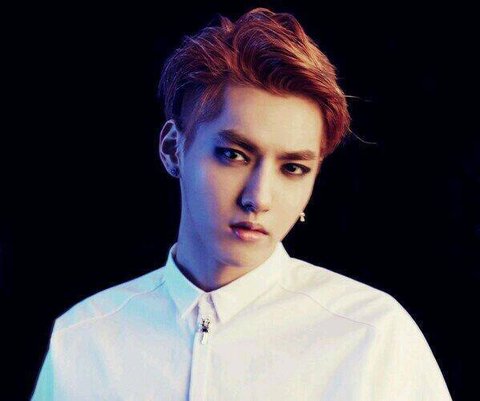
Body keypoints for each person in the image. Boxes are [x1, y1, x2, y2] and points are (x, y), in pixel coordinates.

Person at [31, 7, 453, 400]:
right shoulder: (82, 340)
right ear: (173, 148)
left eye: (292, 168)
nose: (259, 198)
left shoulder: (373, 338)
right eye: (234, 155)